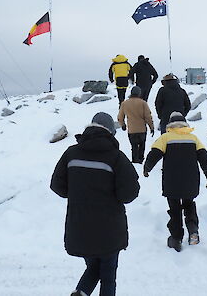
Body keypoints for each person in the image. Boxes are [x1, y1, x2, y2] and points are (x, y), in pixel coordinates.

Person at [51, 112, 140, 296]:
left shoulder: (71, 153)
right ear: (110, 133)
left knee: (93, 266)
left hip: (79, 227)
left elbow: (57, 185)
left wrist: (78, 194)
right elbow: (129, 194)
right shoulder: (116, 157)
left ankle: (81, 293)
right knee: (107, 274)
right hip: (109, 230)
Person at [143, 111, 207, 252]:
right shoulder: (193, 138)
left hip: (172, 181)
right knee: (189, 205)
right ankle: (193, 230)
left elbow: (154, 154)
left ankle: (176, 239)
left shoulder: (165, 138)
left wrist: (147, 168)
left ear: (170, 124)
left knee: (175, 209)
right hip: (191, 181)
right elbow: (204, 158)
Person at [117, 86, 155, 164]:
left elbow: (120, 117)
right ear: (139, 93)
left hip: (131, 130)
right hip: (142, 130)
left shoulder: (124, 103)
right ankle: (140, 160)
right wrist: (151, 127)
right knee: (142, 146)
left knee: (134, 146)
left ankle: (135, 161)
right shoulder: (143, 103)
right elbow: (148, 116)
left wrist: (123, 125)